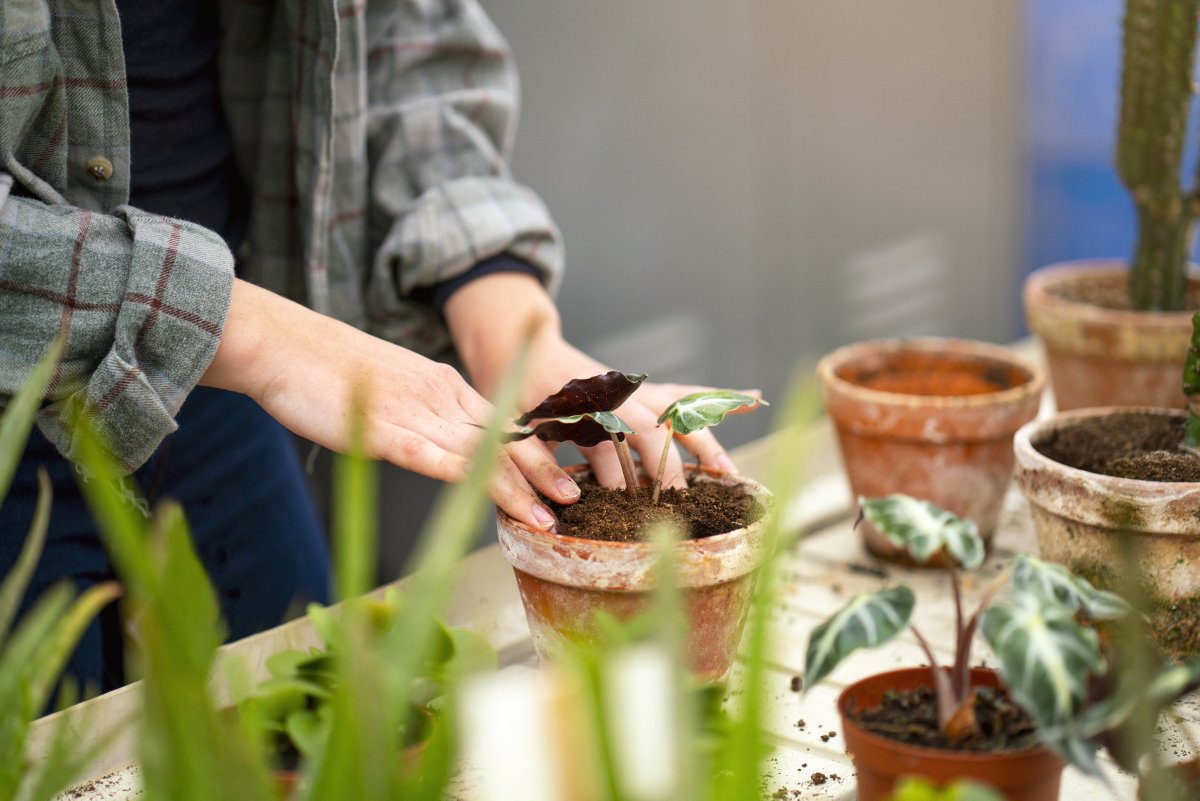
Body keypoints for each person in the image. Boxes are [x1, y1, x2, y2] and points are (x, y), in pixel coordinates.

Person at [0, 0, 756, 693]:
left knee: (322, 720)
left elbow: (398, 44)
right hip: (44, 417)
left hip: (214, 390)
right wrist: (266, 337)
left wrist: (515, 332)